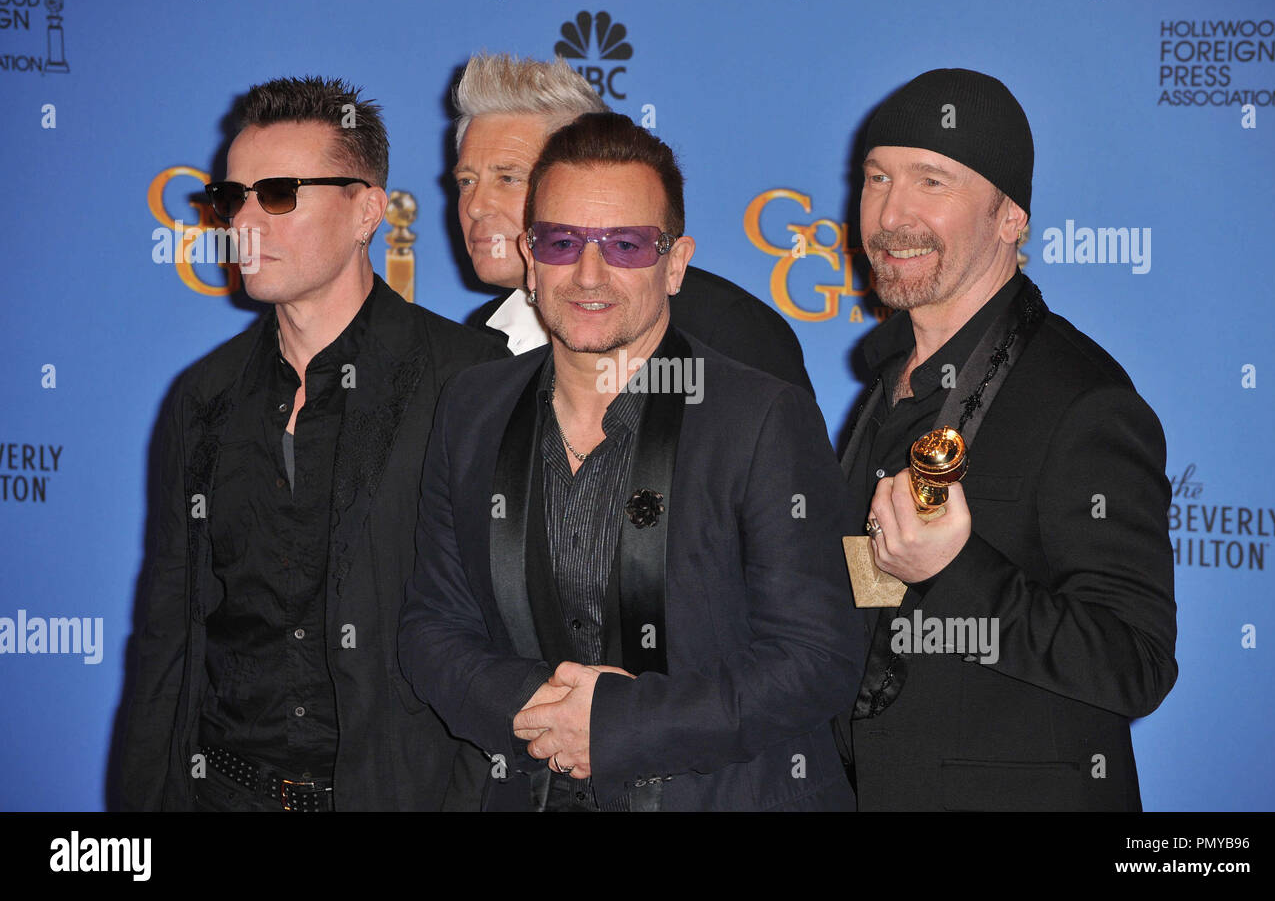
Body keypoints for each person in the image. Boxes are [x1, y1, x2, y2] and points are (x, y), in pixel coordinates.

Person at [400, 112, 861, 811]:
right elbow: (432, 629)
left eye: (625, 244)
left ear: (675, 264)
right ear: (530, 254)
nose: (590, 273)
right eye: (561, 241)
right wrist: (536, 711)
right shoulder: (471, 409)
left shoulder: (761, 419)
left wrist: (615, 724)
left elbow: (817, 660)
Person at [120, 76, 506, 811]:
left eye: (279, 195)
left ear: (366, 210)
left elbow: (507, 640)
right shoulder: (203, 398)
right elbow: (168, 637)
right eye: (233, 198)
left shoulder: (472, 382)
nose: (244, 224)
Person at [839, 68, 1177, 811]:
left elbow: (1136, 665)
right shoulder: (885, 386)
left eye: (933, 182)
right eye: (876, 178)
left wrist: (956, 569)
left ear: (1010, 217)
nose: (891, 214)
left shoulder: (1084, 399)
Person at [452, 52, 815, 394]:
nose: (476, 207)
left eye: (508, 178)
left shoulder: (728, 333)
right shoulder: (477, 343)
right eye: (466, 181)